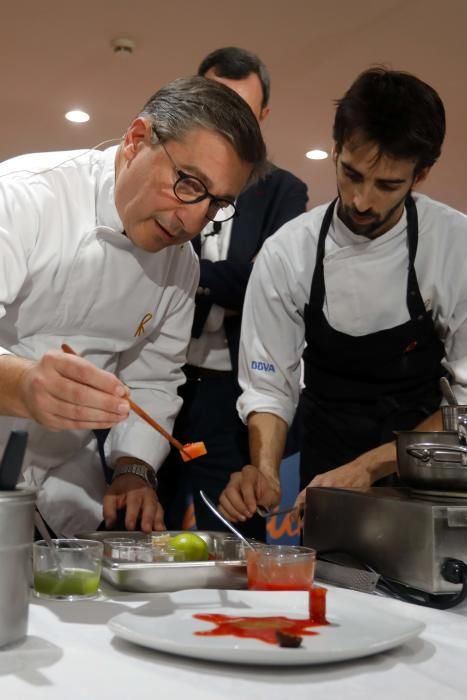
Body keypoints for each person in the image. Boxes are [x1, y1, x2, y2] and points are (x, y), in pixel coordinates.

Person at [0, 75, 266, 537]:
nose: (192, 220)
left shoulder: (182, 269)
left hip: (62, 486)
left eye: (216, 203)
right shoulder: (23, 198)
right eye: (187, 184)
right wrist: (22, 385)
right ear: (136, 140)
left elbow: (154, 380)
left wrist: (134, 469)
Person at [217, 66, 467, 524]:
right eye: (351, 173)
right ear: (335, 149)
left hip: (430, 473)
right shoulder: (288, 253)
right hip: (326, 465)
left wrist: (371, 466)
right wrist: (266, 470)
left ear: (422, 174)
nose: (362, 200)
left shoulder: (455, 246)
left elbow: (466, 402)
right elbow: (269, 385)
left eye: (387, 184)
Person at [157, 47, 308, 539]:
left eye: (241, 108)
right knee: (139, 516)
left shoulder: (284, 191)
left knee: (230, 533)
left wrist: (192, 272)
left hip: (232, 393)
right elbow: (156, 256)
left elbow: (263, 282)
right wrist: (223, 275)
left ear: (262, 116)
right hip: (161, 376)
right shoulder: (170, 177)